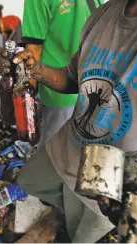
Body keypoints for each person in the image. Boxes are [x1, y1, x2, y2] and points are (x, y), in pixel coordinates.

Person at [14, 0, 137, 242]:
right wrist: (38, 71)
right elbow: (73, 78)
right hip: (64, 153)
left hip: (111, 191)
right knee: (33, 185)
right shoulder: (103, 15)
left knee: (82, 234)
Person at [22, 0, 94, 147]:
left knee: (50, 155)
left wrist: (26, 103)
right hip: (91, 88)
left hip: (56, 92)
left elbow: (33, 51)